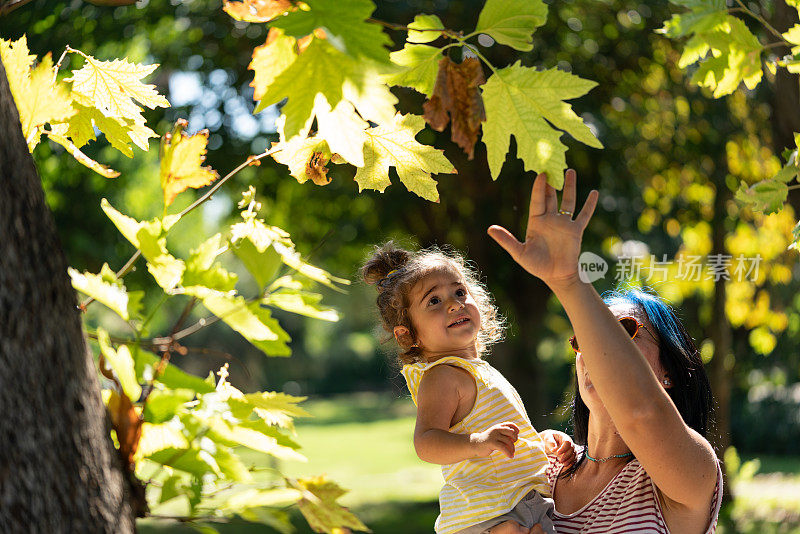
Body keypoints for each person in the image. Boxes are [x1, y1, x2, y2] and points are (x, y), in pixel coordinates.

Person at [488, 169, 723, 533]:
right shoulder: (540, 467)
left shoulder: (691, 473)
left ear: (669, 373)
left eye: (622, 333)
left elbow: (640, 411)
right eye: (587, 337)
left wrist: (568, 281)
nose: (597, 352)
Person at [362, 244, 577, 534]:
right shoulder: (442, 376)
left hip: (517, 504)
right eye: (434, 301)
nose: (454, 304)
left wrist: (539, 442)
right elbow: (426, 442)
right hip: (486, 514)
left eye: (459, 292)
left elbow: (498, 434)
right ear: (407, 335)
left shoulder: (480, 372)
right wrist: (477, 443)